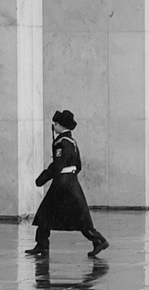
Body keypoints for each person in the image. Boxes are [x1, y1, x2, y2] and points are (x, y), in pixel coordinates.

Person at [26, 109, 110, 257]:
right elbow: (78, 165)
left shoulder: (62, 142)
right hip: (70, 181)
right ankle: (42, 244)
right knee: (53, 214)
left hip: (62, 183)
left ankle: (98, 240)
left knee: (49, 213)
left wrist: (44, 177)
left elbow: (58, 164)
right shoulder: (72, 142)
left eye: (56, 124)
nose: (54, 126)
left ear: (61, 125)